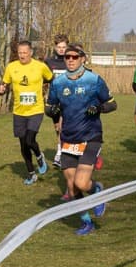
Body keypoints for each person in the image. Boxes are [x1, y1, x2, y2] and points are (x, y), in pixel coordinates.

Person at [44, 44, 116, 235]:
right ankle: (86, 222)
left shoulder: (94, 80)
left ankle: (97, 190)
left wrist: (99, 108)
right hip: (68, 138)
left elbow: (112, 104)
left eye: (74, 57)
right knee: (71, 185)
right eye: (67, 56)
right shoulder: (58, 82)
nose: (70, 59)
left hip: (90, 137)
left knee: (82, 183)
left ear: (82, 58)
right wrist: (53, 111)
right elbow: (49, 107)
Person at [0, 40, 54, 184]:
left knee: (30, 139)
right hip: (19, 111)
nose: (22, 55)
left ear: (31, 53)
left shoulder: (40, 67)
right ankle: (31, 174)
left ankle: (39, 156)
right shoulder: (11, 67)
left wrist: (52, 97)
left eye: (25, 53)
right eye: (19, 53)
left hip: (36, 110)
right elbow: (5, 84)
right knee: (23, 144)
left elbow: (52, 79)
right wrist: (2, 89)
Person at [44, 34, 70, 167]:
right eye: (59, 47)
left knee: (62, 126)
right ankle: (63, 149)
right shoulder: (49, 62)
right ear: (55, 47)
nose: (61, 49)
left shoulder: (70, 60)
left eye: (64, 47)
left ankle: (60, 154)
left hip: (68, 100)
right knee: (57, 128)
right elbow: (43, 78)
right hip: (54, 100)